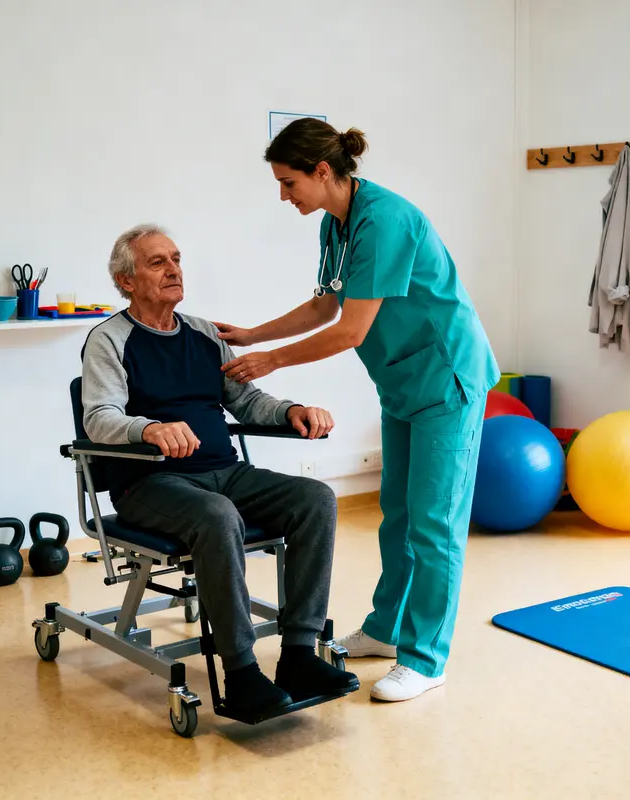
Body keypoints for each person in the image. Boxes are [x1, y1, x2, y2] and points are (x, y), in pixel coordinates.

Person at [214, 118, 499, 702]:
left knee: (434, 523)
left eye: (289, 182)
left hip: (446, 380)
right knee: (396, 511)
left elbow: (350, 330)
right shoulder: (334, 224)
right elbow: (326, 303)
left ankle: (426, 656)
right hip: (400, 382)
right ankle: (388, 628)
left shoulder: (385, 219)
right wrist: (251, 335)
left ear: (324, 172)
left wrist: (271, 362)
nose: (283, 194)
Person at [80, 223, 359, 719]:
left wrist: (291, 410)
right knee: (217, 515)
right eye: (157, 262)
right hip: (151, 483)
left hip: (225, 473)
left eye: (176, 258)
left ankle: (297, 653)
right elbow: (99, 417)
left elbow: (245, 399)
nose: (174, 270)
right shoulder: (109, 340)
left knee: (316, 498)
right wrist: (148, 429)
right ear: (126, 280)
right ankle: (243, 672)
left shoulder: (205, 334)